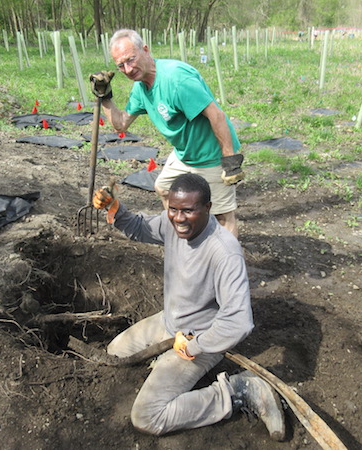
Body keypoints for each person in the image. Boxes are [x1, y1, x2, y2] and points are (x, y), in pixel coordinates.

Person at [92, 173, 285, 439]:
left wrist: (194, 346)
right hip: (169, 323)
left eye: (188, 211)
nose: (179, 218)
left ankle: (238, 391)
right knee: (114, 355)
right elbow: (140, 228)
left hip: (200, 337)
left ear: (208, 208)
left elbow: (238, 321)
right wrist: (114, 207)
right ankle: (165, 360)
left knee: (148, 416)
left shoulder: (224, 252)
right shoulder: (172, 224)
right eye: (173, 209)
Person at [90, 29, 245, 238]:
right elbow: (121, 124)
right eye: (121, 65)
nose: (127, 69)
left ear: (145, 50)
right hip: (185, 154)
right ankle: (186, 238)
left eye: (131, 59)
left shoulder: (176, 79)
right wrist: (105, 97)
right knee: (164, 188)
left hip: (211, 154)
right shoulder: (141, 88)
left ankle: (228, 265)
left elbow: (216, 115)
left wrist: (229, 158)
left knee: (223, 217)